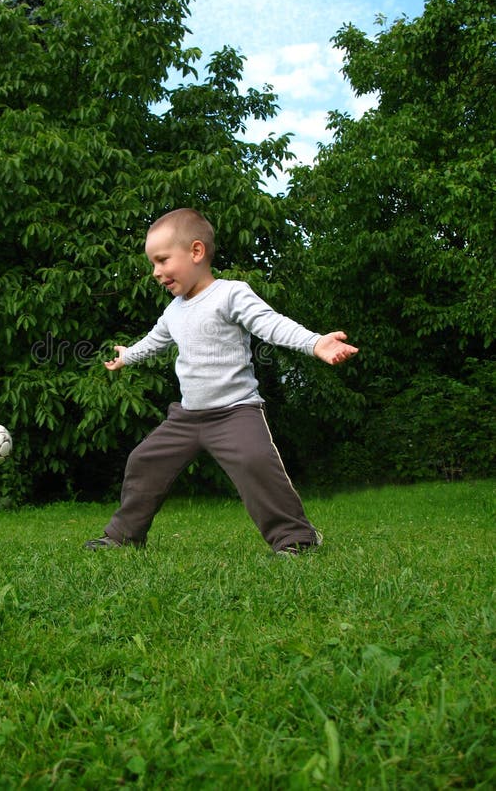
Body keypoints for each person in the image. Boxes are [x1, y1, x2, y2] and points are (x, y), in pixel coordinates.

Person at [84, 208, 358, 555]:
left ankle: (296, 540)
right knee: (144, 460)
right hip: (186, 417)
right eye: (153, 264)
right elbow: (154, 341)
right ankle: (123, 536)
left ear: (196, 252)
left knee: (256, 463)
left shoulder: (230, 294)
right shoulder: (174, 311)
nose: (156, 272)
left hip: (235, 412)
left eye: (163, 260)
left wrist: (314, 341)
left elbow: (269, 323)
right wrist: (128, 356)